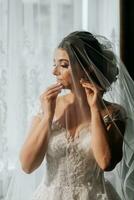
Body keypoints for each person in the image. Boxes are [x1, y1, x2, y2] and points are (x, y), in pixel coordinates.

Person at [13, 31, 133, 200]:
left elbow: (106, 163)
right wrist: (47, 116)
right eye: (54, 64)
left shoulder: (113, 112)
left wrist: (95, 108)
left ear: (87, 68)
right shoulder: (47, 106)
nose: (54, 71)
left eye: (63, 65)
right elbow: (27, 166)